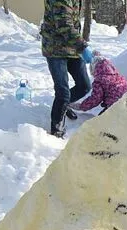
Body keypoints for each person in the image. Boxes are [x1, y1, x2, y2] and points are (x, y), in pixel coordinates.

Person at [41, 0, 93, 138]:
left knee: (84, 86)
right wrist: (83, 47)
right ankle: (56, 129)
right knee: (62, 92)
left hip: (72, 48)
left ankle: (64, 106)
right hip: (55, 49)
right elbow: (64, 25)